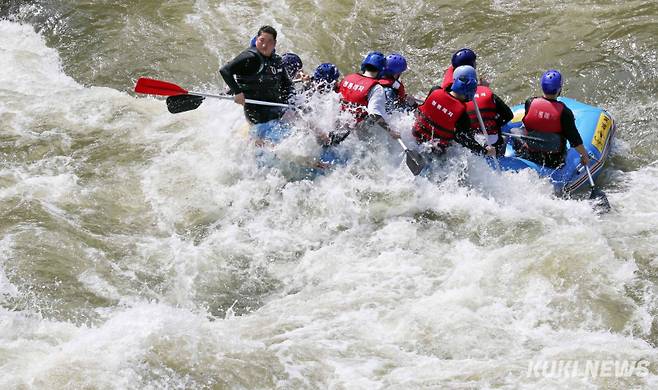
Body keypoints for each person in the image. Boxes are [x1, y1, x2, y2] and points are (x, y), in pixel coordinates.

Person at [412, 65, 495, 156]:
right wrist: (485, 151)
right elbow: (465, 140)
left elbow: (421, 111)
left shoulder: (435, 90)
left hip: (416, 136)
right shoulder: (462, 114)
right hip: (436, 152)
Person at [219, 26, 293, 124]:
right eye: (261, 40)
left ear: (274, 43)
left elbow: (287, 85)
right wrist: (237, 92)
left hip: (277, 109)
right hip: (257, 115)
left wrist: (293, 102)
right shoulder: (250, 57)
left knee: (311, 127)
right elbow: (225, 70)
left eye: (269, 42)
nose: (264, 45)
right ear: (256, 39)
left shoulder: (277, 60)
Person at [518, 69, 589, 168]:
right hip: (554, 160)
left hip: (531, 154)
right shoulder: (564, 112)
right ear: (559, 89)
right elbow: (575, 140)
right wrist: (584, 155)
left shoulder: (529, 103)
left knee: (514, 130)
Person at [337, 51, 399, 140]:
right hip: (355, 133)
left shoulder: (347, 78)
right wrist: (390, 131)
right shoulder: (376, 88)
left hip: (338, 124)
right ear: (381, 70)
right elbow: (374, 114)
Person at [465, 82, 514, 156]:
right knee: (503, 137)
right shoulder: (491, 95)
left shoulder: (460, 98)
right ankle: (500, 156)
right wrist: (496, 123)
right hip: (493, 141)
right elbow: (509, 115)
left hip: (474, 141)